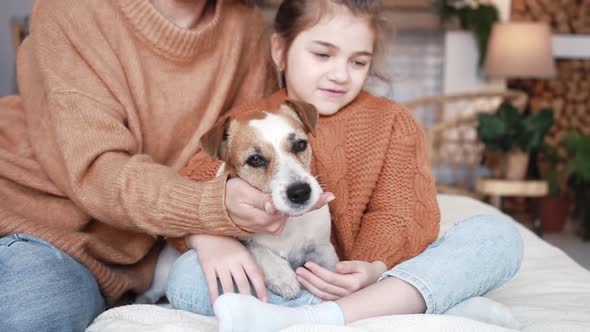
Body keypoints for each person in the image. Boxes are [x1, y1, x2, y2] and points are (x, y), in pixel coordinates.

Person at [165, 1, 525, 331]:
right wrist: (211, 239)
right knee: (184, 277)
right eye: (323, 54)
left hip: (373, 278)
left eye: (358, 61)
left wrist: (372, 267)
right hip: (285, 272)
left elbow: (399, 212)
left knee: (499, 237)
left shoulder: (392, 121)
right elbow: (188, 190)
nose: (340, 74)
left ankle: (314, 316)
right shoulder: (246, 123)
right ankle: (415, 305)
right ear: (280, 50)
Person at [0, 0, 322, 330]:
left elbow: (248, 154)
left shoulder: (246, 28)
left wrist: (206, 231)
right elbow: (96, 172)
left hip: (146, 252)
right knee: (34, 304)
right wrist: (207, 213)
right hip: (34, 220)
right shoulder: (70, 10)